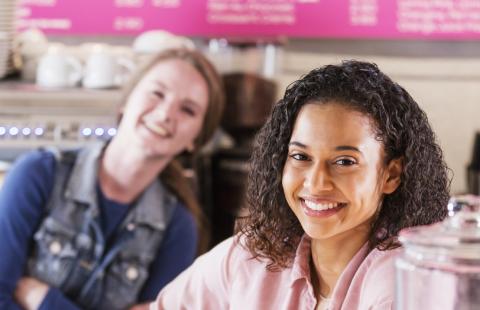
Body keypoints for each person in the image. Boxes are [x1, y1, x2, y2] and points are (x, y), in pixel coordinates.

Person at [150, 60, 451, 309]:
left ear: (391, 175)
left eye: (345, 161)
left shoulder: (405, 283)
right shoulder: (251, 257)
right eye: (300, 156)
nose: (316, 183)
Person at [0, 48, 224, 310]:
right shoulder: (38, 173)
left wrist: (46, 301)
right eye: (157, 93)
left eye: (187, 110)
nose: (165, 114)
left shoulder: (178, 228)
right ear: (127, 100)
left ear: (195, 139)